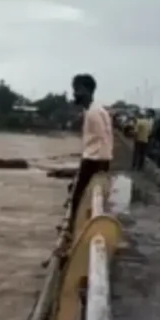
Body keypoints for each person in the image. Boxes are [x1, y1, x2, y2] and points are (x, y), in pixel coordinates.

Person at [69, 73, 113, 229]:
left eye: (77, 90)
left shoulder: (94, 113)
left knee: (78, 198)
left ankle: (72, 230)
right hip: (99, 159)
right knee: (92, 199)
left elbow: (102, 138)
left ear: (87, 91)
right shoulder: (95, 110)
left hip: (94, 160)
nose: (74, 94)